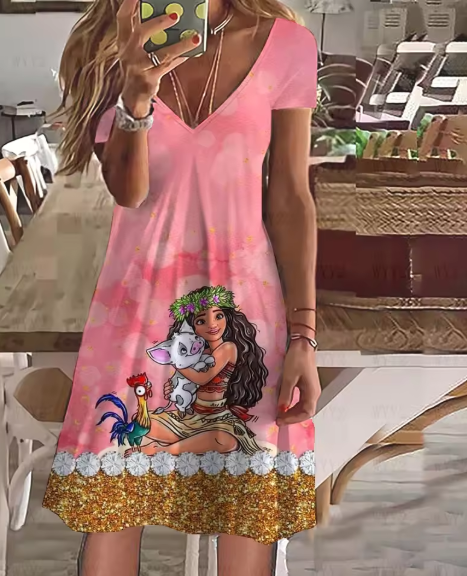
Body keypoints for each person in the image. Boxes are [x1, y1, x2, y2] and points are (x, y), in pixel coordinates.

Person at [42, 0, 322, 573]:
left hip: (246, 315)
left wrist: (304, 334)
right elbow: (129, 192)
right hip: (133, 314)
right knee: (114, 504)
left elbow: (291, 198)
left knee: (247, 507)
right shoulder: (112, 44)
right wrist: (136, 97)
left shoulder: (286, 45)